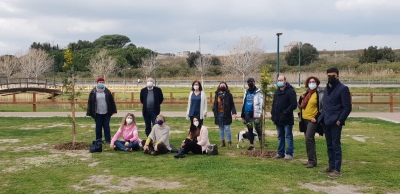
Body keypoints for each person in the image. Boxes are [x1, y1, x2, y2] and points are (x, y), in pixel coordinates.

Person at [317, 68, 352, 178]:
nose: (331, 78)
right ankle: (331, 166)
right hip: (326, 121)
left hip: (335, 122)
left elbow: (347, 107)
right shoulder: (327, 89)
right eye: (329, 76)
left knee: (336, 145)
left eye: (333, 75)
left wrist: (339, 120)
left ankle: (337, 169)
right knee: (329, 145)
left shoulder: (343, 89)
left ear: (337, 76)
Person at [298, 76, 324, 168]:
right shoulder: (307, 93)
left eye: (313, 82)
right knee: (308, 140)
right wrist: (301, 98)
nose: (311, 83)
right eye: (310, 82)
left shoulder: (319, 94)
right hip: (304, 119)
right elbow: (301, 106)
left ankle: (312, 161)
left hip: (312, 120)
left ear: (317, 83)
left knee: (309, 138)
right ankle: (311, 159)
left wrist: (317, 117)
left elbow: (322, 107)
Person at [271, 76, 297, 159]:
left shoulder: (291, 91)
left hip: (287, 118)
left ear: (285, 81)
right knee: (280, 136)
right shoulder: (276, 92)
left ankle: (289, 153)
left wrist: (286, 112)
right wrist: (273, 114)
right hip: (278, 118)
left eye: (281, 80)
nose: (280, 82)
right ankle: (280, 153)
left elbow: (293, 104)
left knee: (288, 135)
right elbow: (274, 104)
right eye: (278, 80)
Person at [86, 77, 117, 144]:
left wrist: (113, 110)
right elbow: (90, 102)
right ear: (97, 83)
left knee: (106, 127)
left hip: (106, 112)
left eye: (102, 82)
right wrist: (89, 112)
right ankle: (98, 141)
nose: (101, 83)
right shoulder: (93, 92)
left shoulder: (107, 91)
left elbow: (111, 101)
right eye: (100, 82)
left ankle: (108, 140)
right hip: (97, 113)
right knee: (98, 127)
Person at [240, 78, 263, 151]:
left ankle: (261, 143)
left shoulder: (258, 92)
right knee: (250, 129)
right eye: (248, 82)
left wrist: (260, 113)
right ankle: (252, 145)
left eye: (251, 82)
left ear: (254, 82)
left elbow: (261, 102)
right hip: (247, 112)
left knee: (257, 128)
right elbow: (244, 102)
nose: (250, 83)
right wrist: (242, 114)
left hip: (256, 113)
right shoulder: (246, 92)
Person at [212, 82, 237, 148]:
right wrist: (214, 110)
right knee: (221, 129)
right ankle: (222, 142)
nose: (222, 86)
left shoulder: (229, 95)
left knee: (227, 128)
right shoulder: (217, 94)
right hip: (219, 113)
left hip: (226, 114)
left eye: (224, 85)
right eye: (221, 85)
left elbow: (232, 104)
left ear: (226, 86)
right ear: (219, 86)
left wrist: (234, 112)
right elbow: (215, 104)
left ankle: (229, 142)